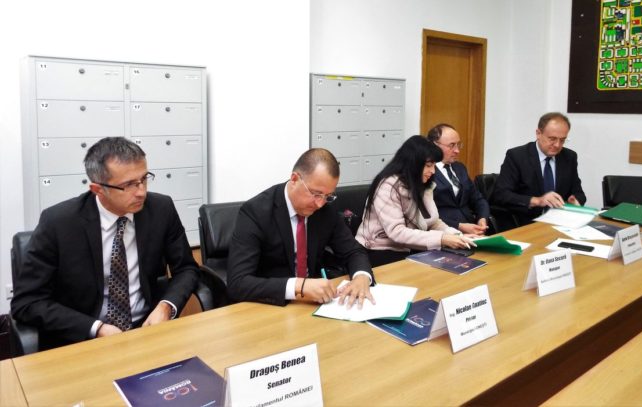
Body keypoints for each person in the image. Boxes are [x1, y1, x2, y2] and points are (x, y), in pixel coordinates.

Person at [11, 137, 199, 350]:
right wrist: (96, 328)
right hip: (83, 339)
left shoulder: (161, 209)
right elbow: (27, 302)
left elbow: (186, 269)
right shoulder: (58, 223)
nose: (141, 192)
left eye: (144, 179)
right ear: (98, 189)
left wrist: (166, 306)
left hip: (146, 330)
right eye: (128, 185)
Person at [227, 148, 375, 308]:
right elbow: (238, 283)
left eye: (328, 196)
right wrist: (298, 286)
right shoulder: (255, 212)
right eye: (316, 194)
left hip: (316, 304)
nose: (320, 204)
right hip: (272, 305)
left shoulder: (324, 210)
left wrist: (361, 277)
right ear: (294, 179)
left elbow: (353, 251)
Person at [356, 136, 477, 267]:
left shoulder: (422, 183)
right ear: (413, 164)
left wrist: (456, 235)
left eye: (434, 166)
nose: (433, 171)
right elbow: (397, 232)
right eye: (428, 166)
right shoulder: (388, 186)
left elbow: (433, 222)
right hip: (380, 249)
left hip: (410, 246)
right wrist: (441, 239)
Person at [491, 112, 587, 226]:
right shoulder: (517, 156)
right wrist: (538, 201)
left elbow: (579, 193)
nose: (557, 145)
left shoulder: (569, 157)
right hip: (527, 223)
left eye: (562, 140)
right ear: (538, 133)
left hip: (560, 223)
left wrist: (575, 201)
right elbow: (501, 195)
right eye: (552, 139)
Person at [427, 123, 490, 235]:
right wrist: (459, 226)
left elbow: (478, 199)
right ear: (435, 145)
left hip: (473, 229)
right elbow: (426, 214)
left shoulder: (460, 168)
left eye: (458, 145)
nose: (457, 150)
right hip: (444, 233)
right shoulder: (427, 171)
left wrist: (482, 218)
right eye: (451, 145)